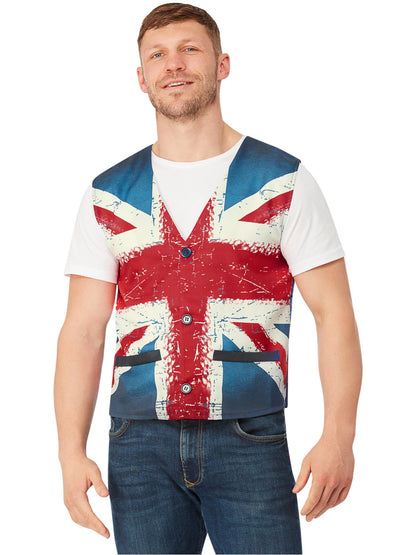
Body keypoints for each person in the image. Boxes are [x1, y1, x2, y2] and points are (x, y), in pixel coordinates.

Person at [54, 3, 362, 554]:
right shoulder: (108, 195)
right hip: (138, 445)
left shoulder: (281, 182)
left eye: (190, 49)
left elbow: (333, 311)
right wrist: (69, 451)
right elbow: (82, 329)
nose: (174, 64)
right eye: (158, 55)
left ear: (222, 65)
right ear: (141, 76)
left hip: (250, 437)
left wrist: (340, 435)